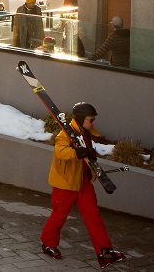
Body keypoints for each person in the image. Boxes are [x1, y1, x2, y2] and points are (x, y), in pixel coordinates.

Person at [40, 102, 126, 268]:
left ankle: (104, 252)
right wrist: (77, 152)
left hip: (83, 183)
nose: (94, 123)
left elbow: (89, 145)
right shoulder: (65, 134)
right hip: (65, 184)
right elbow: (60, 151)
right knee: (59, 216)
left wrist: (90, 153)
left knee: (93, 216)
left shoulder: (85, 133)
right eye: (91, 120)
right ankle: (48, 244)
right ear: (81, 119)